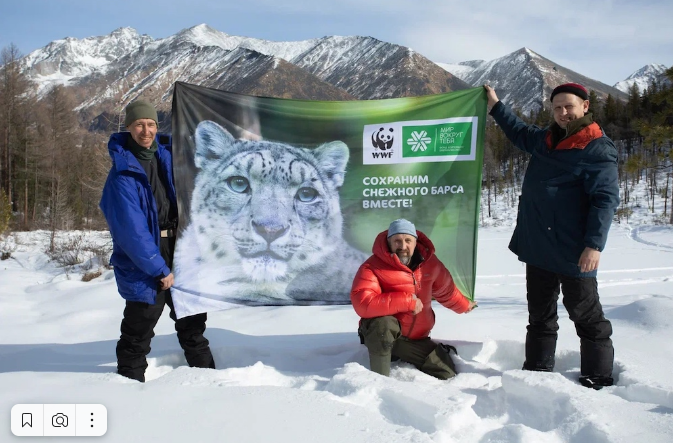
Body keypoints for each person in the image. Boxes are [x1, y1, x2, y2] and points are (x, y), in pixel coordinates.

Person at [483, 83, 620, 389]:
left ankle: (597, 376)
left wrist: (594, 245)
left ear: (585, 107)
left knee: (586, 316)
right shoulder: (546, 139)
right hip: (539, 245)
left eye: (569, 106)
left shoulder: (596, 146)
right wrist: (495, 105)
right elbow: (518, 131)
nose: (562, 113)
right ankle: (536, 369)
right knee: (540, 315)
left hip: (575, 250)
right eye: (557, 107)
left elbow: (605, 200)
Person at [100, 99, 215, 382]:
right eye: (139, 124)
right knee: (138, 330)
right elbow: (131, 230)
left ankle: (210, 383)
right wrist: (158, 268)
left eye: (151, 124)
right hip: (147, 258)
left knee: (193, 323)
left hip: (181, 248)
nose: (146, 130)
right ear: (128, 127)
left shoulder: (171, 157)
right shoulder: (121, 174)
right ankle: (128, 386)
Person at [350, 219, 477, 379]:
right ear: (389, 242)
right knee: (384, 324)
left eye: (408, 240)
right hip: (382, 335)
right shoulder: (372, 267)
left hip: (415, 339)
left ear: (416, 242)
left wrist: (465, 306)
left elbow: (447, 291)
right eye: (397, 241)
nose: (403, 246)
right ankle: (379, 381)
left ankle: (402, 354)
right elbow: (363, 303)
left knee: (447, 373)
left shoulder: (431, 264)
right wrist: (407, 301)